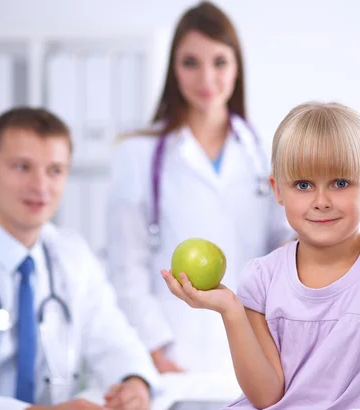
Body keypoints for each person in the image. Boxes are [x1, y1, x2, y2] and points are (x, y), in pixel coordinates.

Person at [161, 102, 360, 409]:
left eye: (340, 183)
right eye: (303, 184)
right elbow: (267, 395)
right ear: (278, 190)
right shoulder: (261, 277)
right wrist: (231, 310)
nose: (322, 201)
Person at [0, 107, 159, 410]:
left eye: (55, 170)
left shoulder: (73, 255)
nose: (40, 186)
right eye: (22, 167)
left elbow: (117, 342)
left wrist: (134, 383)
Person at [106, 1, 294, 374]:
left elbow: (286, 249)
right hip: (174, 358)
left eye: (220, 62)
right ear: (173, 69)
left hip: (257, 352)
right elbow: (126, 267)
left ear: (237, 67)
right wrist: (158, 353)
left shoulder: (267, 154)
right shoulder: (136, 155)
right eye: (190, 62)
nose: (206, 78)